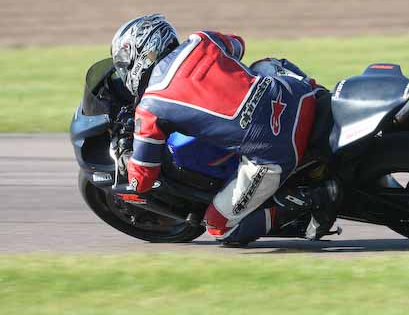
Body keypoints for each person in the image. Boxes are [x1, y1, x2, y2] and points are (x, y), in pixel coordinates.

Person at [110, 14, 337, 244]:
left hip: (277, 146)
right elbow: (238, 45)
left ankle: (310, 200)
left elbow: (141, 181)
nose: (123, 70)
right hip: (298, 95)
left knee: (218, 227)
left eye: (123, 63)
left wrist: (125, 155)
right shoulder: (201, 39)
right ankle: (320, 93)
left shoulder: (150, 106)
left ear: (141, 52)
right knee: (263, 65)